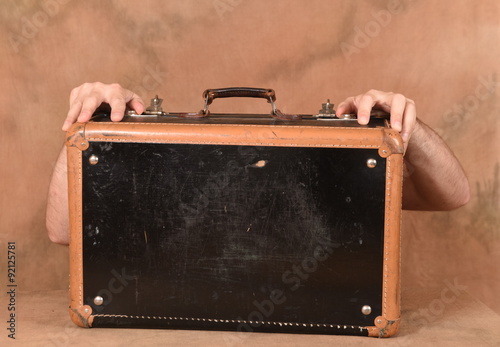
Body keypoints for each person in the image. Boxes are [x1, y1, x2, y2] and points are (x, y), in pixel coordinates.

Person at [46, 83, 470, 245]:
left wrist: (402, 129)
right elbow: (62, 231)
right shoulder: (144, 158)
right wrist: (85, 125)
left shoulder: (336, 159)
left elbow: (453, 195)